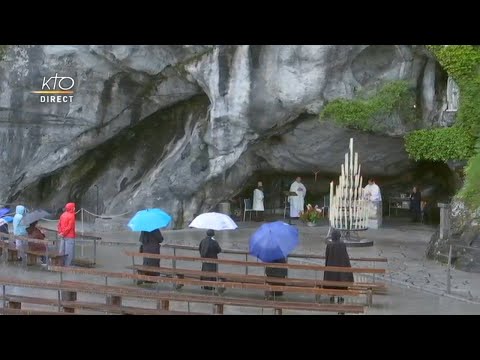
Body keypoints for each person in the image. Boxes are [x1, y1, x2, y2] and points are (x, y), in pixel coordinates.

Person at [324, 230, 353, 304]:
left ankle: (332, 296)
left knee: (331, 281)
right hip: (341, 271)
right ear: (339, 236)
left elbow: (327, 258)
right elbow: (346, 257)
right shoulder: (342, 245)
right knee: (341, 281)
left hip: (331, 271)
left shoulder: (329, 245)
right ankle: (340, 297)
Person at [57, 202, 76, 266]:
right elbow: (69, 227)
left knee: (62, 251)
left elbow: (58, 225)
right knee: (69, 252)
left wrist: (60, 233)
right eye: (73, 207)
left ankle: (61, 264)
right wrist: (63, 233)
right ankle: (68, 266)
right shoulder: (72, 216)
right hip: (69, 236)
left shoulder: (62, 215)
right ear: (71, 208)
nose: (74, 208)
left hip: (62, 236)